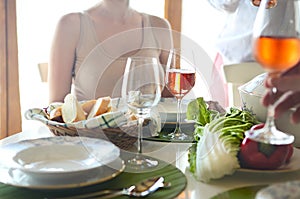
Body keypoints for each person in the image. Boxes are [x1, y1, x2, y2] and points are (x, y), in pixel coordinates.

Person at [48, 0, 173, 103]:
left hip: (149, 132)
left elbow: (170, 105)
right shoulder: (70, 25)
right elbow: (56, 109)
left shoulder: (160, 26)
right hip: (88, 133)